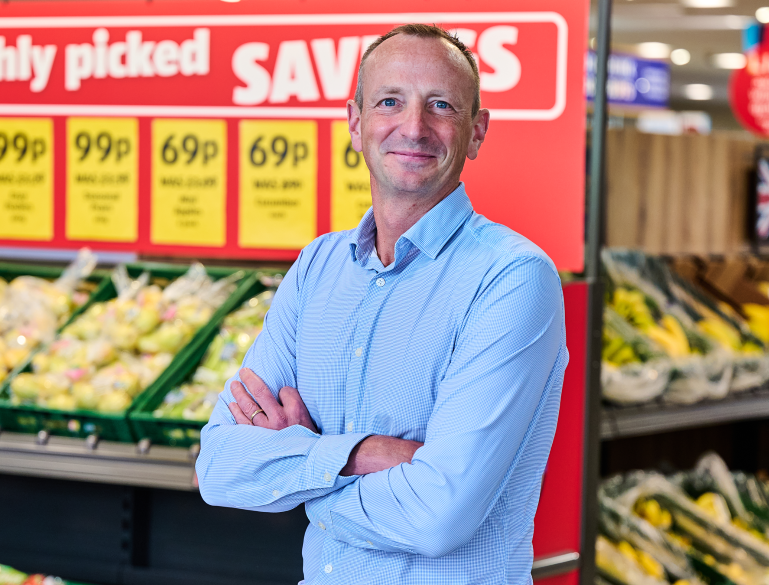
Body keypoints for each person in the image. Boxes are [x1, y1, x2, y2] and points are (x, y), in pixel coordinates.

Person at [196, 23, 568, 584]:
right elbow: (221, 466)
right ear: (356, 122)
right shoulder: (317, 269)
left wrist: (303, 475)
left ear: (476, 133)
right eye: (389, 101)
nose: (413, 127)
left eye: (440, 106)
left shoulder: (512, 279)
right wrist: (362, 455)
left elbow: (438, 513)